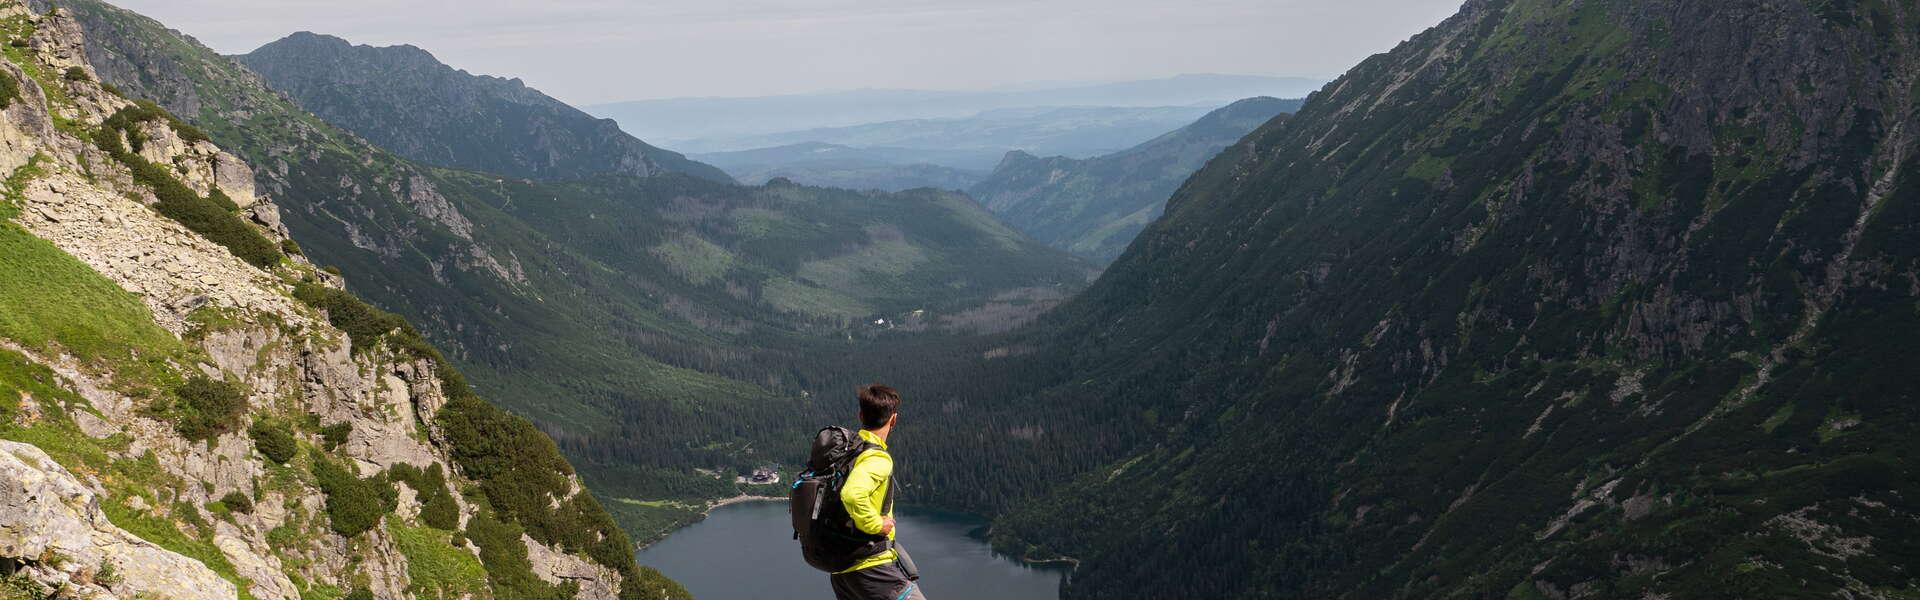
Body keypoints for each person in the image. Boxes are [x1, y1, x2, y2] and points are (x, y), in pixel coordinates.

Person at [830, 384, 927, 600]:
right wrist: (876, 524)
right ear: (893, 419)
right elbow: (852, 494)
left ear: (860, 415)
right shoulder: (876, 458)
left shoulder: (847, 453)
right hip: (871, 567)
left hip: (843, 570)